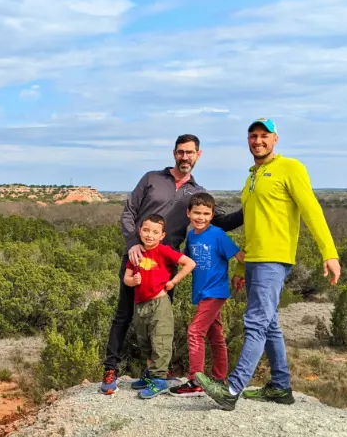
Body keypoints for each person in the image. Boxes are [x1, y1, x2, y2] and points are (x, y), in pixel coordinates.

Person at [196, 118, 341, 411]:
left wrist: (329, 252)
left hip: (274, 259)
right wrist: (239, 268)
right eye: (253, 135)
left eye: (264, 135)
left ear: (275, 139)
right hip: (255, 260)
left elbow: (311, 209)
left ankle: (232, 389)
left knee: (256, 323)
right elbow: (250, 223)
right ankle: (280, 386)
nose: (258, 140)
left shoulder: (290, 168)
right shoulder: (252, 176)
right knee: (270, 323)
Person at [100, 134, 244, 395]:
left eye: (190, 152)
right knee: (124, 316)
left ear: (198, 155)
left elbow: (220, 221)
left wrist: (251, 208)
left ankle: (154, 372)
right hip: (136, 257)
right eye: (181, 152)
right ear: (174, 153)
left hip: (167, 264)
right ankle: (111, 370)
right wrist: (133, 242)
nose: (185, 157)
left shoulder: (197, 193)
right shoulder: (152, 179)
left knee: (159, 321)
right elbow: (129, 212)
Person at [169, 192, 244, 397]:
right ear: (188, 213)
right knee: (215, 335)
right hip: (202, 292)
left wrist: (242, 274)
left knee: (195, 332)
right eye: (196, 213)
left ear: (212, 215)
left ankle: (195, 381)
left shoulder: (218, 234)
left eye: (205, 213)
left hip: (215, 292)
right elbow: (186, 261)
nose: (200, 217)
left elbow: (240, 257)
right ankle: (220, 378)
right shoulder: (192, 236)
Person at [122, 214, 196, 399]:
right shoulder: (136, 254)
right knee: (145, 341)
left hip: (159, 304)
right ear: (140, 231)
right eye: (146, 230)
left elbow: (189, 263)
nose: (150, 235)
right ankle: (150, 373)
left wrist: (173, 282)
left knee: (160, 340)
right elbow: (126, 278)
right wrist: (133, 280)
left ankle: (159, 380)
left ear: (162, 235)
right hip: (140, 304)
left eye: (155, 232)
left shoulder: (164, 251)